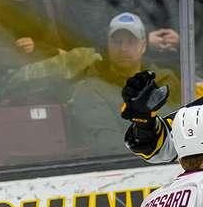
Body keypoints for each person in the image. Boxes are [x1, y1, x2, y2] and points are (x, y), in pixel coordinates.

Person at [68, 13, 179, 156]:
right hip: (127, 168)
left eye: (131, 42)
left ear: (143, 45)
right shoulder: (90, 89)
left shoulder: (166, 81)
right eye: (117, 42)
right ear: (108, 44)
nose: (123, 48)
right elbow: (108, 145)